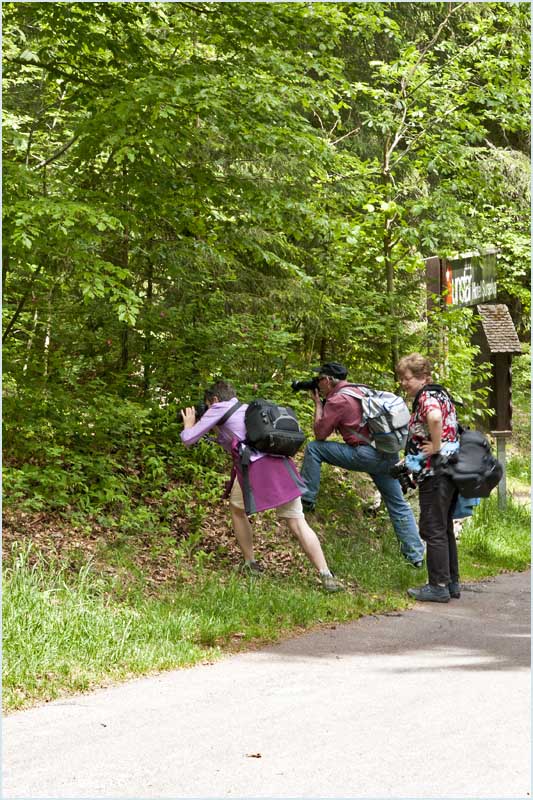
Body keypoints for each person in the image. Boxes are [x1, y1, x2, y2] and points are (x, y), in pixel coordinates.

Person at [180, 380, 342, 592]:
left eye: (208, 405)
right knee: (297, 523)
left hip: (255, 469)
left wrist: (189, 424)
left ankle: (250, 563)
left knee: (237, 511)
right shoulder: (246, 409)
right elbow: (234, 440)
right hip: (282, 465)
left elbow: (189, 439)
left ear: (215, 400)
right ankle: (325, 574)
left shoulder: (218, 407)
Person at [299, 361, 425, 567]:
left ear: (329, 380)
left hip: (366, 455)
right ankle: (415, 557)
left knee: (314, 448)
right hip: (387, 453)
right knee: (397, 504)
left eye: (320, 379)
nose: (318, 383)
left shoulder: (338, 399)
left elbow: (320, 434)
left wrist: (318, 404)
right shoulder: (360, 390)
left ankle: (306, 500)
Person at [396, 353, 460, 603]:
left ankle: (438, 586)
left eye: (407, 378)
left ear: (423, 378)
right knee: (444, 528)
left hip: (436, 472)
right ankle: (451, 583)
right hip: (451, 469)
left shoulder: (427, 397)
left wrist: (435, 445)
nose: (403, 383)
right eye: (401, 378)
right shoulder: (442, 394)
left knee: (432, 528)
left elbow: (434, 418)